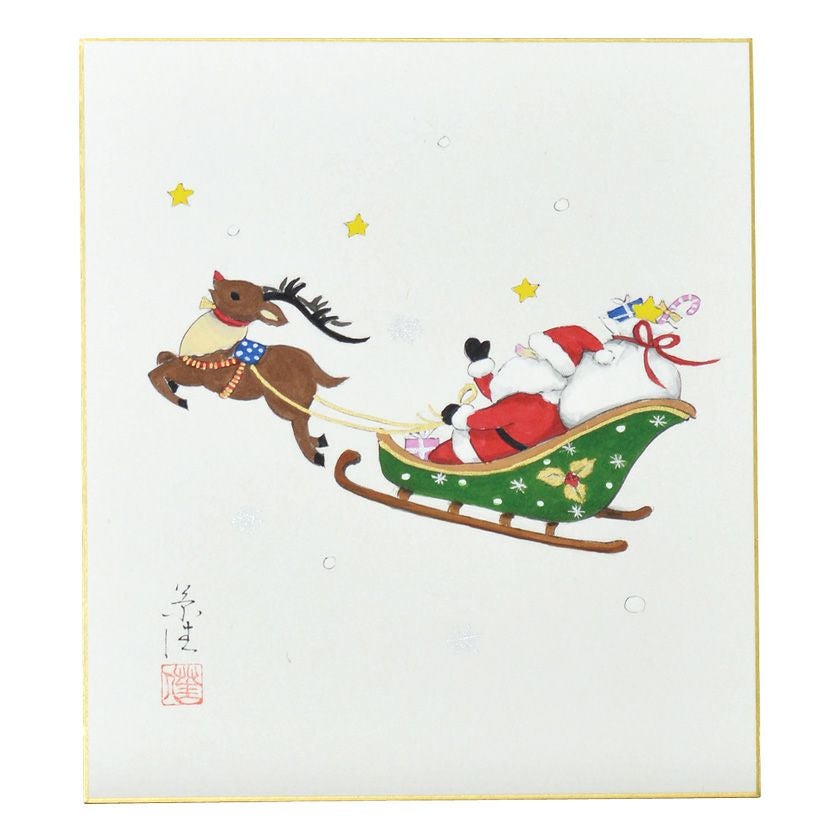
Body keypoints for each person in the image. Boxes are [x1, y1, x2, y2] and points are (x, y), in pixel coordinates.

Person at [428, 326, 614, 465]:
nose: (525, 356)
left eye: (533, 355)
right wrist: (481, 367)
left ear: (549, 366)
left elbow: (489, 417)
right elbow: (497, 394)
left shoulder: (529, 402)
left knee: (438, 457)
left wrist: (460, 417)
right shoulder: (541, 398)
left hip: (477, 449)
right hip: (505, 451)